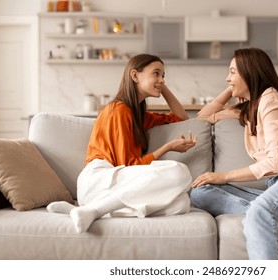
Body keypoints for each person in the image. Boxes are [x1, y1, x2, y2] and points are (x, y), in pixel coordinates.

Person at [190, 47, 278, 259]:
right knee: (201, 192)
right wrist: (232, 88)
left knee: (259, 212)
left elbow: (276, 164)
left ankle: (269, 213)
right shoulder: (248, 108)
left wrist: (224, 176)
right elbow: (203, 117)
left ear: (250, 72)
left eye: (232, 72)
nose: (227, 78)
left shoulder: (271, 102)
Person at [47, 53, 197, 233]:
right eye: (156, 73)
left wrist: (161, 86)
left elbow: (181, 118)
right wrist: (168, 147)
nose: (161, 79)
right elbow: (127, 164)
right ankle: (94, 210)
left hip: (114, 189)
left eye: (163, 75)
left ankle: (87, 211)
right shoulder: (118, 110)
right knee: (179, 171)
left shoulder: (138, 115)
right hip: (99, 180)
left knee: (181, 203)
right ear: (134, 76)